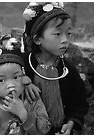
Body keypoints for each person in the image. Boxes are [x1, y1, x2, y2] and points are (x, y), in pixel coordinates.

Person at [22, 2, 89, 134]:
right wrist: (22, 79)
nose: (65, 40)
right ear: (37, 39)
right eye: (58, 34)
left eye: (68, 34)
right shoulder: (22, 64)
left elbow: (79, 103)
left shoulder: (68, 71)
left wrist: (71, 122)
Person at [0, 35, 51, 135]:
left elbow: (45, 129)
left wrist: (24, 114)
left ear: (23, 76)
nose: (10, 85)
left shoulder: (32, 100)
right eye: (1, 80)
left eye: (16, 77)